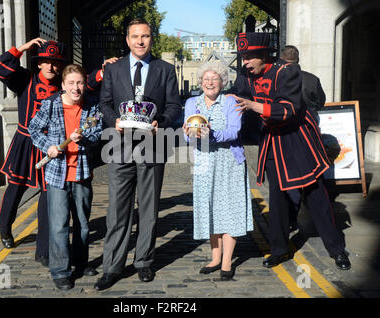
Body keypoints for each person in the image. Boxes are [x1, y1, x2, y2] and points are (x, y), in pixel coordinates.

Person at [232, 32, 351, 270]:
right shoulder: (246, 75)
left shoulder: (288, 72)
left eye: (249, 57)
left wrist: (253, 105)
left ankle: (337, 250)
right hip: (273, 142)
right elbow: (236, 99)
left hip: (298, 140)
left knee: (316, 197)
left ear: (264, 55)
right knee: (278, 200)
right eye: (243, 57)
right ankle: (278, 250)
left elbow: (287, 109)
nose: (244, 62)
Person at [0, 38, 113, 267]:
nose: (51, 67)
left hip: (57, 146)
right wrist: (22, 49)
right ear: (38, 63)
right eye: (46, 62)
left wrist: (102, 72)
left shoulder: (62, 84)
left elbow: (84, 84)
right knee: (16, 187)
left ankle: (44, 250)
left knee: (48, 195)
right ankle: (5, 229)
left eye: (55, 63)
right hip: (27, 141)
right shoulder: (24, 78)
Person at [96, 18, 182, 291]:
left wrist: (164, 122)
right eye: (135, 36)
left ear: (151, 39)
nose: (140, 41)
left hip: (153, 144)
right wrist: (114, 121)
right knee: (117, 210)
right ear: (127, 39)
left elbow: (174, 105)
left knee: (148, 208)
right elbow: (104, 103)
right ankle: (112, 266)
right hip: (119, 144)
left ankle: (144, 261)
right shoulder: (114, 69)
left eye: (145, 36)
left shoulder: (165, 69)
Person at [28, 64, 102, 290]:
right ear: (63, 85)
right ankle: (60, 270)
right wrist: (48, 146)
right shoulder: (50, 105)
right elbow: (33, 129)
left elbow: (98, 133)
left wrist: (85, 139)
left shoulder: (91, 106)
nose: (76, 88)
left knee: (82, 224)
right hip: (57, 173)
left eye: (79, 82)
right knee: (59, 225)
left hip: (81, 173)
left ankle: (80, 263)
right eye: (71, 83)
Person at [182, 61, 253, 280]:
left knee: (229, 210)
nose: (210, 83)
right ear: (200, 82)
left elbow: (234, 131)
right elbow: (186, 135)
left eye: (215, 79)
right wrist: (190, 134)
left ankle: (226, 261)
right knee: (210, 208)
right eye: (206, 79)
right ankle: (215, 257)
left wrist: (211, 134)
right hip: (204, 161)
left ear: (222, 82)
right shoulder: (191, 103)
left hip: (228, 162)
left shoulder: (231, 102)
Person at [280, 45, 327, 230]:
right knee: (313, 177)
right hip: (310, 134)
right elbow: (321, 102)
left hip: (288, 134)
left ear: (282, 61)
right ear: (298, 61)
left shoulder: (279, 80)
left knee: (291, 179)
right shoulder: (312, 79)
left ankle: (291, 218)